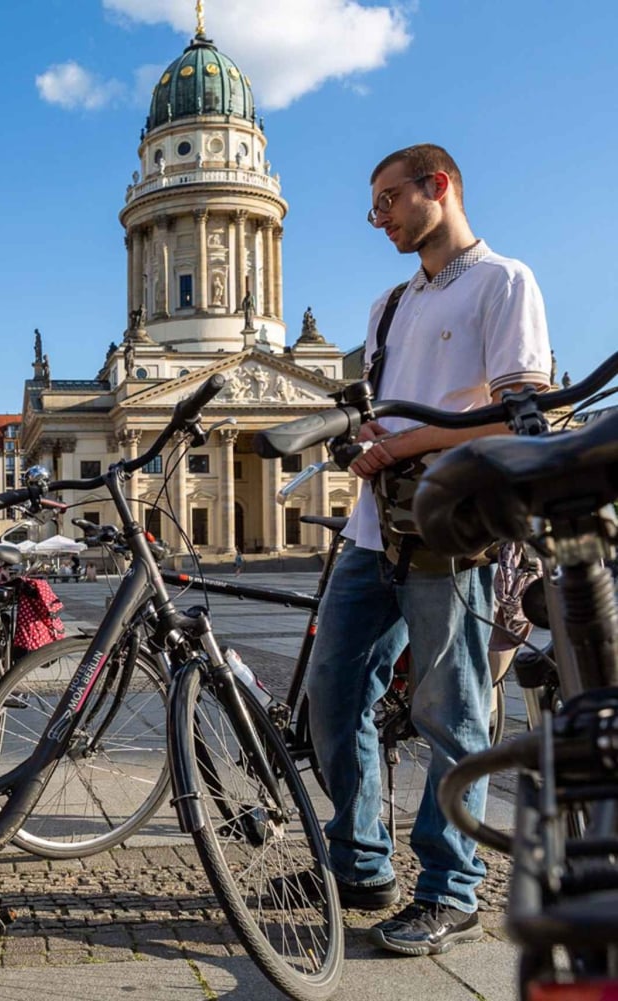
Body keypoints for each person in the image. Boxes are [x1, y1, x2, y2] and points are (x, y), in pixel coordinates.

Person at [304, 144, 551, 957]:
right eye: (373, 207)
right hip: (375, 528)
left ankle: (451, 890)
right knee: (333, 695)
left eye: (387, 202)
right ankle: (363, 859)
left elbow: (522, 415)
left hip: (453, 531)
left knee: (450, 712)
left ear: (436, 187)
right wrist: (371, 437)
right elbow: (392, 410)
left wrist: (410, 444)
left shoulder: (503, 281)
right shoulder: (386, 305)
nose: (379, 220)